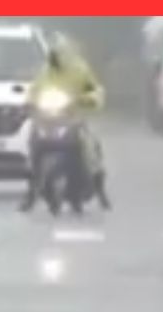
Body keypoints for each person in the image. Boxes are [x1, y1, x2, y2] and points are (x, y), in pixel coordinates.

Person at [21, 40, 110, 212]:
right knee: (33, 146)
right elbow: (34, 90)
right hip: (47, 119)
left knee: (90, 148)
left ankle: (99, 189)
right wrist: (29, 103)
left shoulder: (80, 70)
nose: (57, 58)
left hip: (73, 118)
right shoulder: (45, 71)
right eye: (54, 54)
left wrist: (90, 99)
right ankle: (31, 192)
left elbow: (95, 90)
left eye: (61, 54)